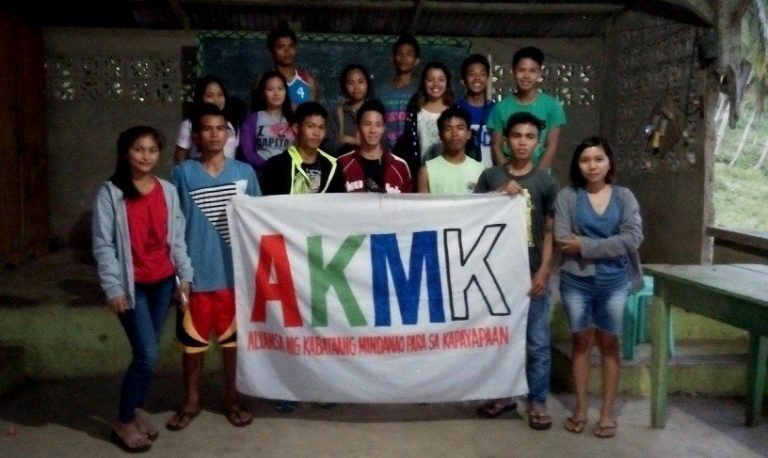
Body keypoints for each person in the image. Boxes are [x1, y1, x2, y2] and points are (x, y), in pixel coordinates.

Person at [92, 126, 193, 453]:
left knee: (146, 354)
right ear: (126, 152)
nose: (146, 156)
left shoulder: (167, 190)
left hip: (162, 281)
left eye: (152, 150)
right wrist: (113, 288)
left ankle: (134, 410)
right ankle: (123, 419)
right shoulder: (110, 193)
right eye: (139, 149)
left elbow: (176, 238)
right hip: (131, 286)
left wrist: (184, 277)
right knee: (147, 355)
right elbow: (104, 246)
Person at [166, 104, 260, 431]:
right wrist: (181, 275)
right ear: (196, 136)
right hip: (195, 277)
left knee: (233, 346)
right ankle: (191, 400)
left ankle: (232, 398)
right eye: (207, 129)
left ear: (229, 135)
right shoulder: (182, 174)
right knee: (193, 347)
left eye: (221, 128)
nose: (215, 135)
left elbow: (259, 224)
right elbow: (174, 227)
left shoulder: (245, 173)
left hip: (235, 278)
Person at [474, 112, 559, 431]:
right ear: (506, 141)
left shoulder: (546, 182)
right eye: (517, 136)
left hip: (532, 273)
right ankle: (502, 395)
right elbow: (473, 218)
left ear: (538, 143)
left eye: (530, 137)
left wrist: (544, 272)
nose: (523, 142)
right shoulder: (490, 177)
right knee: (498, 339)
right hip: (497, 275)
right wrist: (497, 195)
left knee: (536, 342)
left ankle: (537, 400)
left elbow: (550, 232)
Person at [555, 136, 643, 439]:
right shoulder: (568, 196)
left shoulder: (624, 197)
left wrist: (585, 245)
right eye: (585, 160)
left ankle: (606, 413)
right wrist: (607, 244)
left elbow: (632, 239)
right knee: (581, 342)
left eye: (598, 159)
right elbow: (563, 239)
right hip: (575, 280)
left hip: (615, 280)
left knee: (609, 343)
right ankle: (580, 409)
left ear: (609, 163)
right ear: (577, 165)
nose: (592, 166)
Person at [487, 46, 566, 170]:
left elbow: (551, 146)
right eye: (521, 70)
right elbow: (496, 147)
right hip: (508, 178)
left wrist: (536, 177)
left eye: (532, 71)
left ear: (539, 73)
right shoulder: (500, 108)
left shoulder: (552, 106)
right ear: (513, 71)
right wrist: (507, 175)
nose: (526, 75)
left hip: (540, 175)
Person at [261, 101, 346, 195]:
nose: (317, 133)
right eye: (310, 126)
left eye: (321, 127)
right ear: (296, 128)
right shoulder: (276, 166)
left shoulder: (333, 165)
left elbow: (338, 201)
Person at [338, 99, 412, 193]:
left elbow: (408, 201)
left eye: (378, 125)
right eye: (367, 124)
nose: (373, 130)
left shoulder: (400, 166)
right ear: (358, 127)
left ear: (384, 127)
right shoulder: (342, 164)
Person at [396, 61, 455, 179]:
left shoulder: (454, 112)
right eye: (430, 79)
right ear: (423, 82)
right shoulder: (415, 112)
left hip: (449, 175)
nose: (436, 84)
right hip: (420, 175)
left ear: (447, 82)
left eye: (441, 79)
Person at [417, 106, 484, 194]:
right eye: (448, 129)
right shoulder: (426, 172)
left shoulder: (480, 171)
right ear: (440, 135)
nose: (454, 134)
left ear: (469, 133)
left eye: (460, 128)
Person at [238, 70, 294, 172]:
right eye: (270, 89)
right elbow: (247, 152)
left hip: (290, 172)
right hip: (261, 173)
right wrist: (267, 166)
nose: (276, 93)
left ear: (286, 92)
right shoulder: (252, 120)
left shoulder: (294, 119)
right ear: (263, 93)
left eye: (280, 88)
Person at [174, 75, 240, 163]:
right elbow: (180, 158)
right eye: (210, 96)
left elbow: (233, 156)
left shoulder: (232, 124)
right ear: (200, 97)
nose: (216, 100)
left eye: (220, 95)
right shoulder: (189, 124)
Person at [380, 34, 421, 149]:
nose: (404, 58)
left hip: (413, 151)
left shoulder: (422, 89)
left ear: (416, 61)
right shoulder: (380, 90)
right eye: (400, 54)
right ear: (392, 59)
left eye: (409, 54)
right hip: (385, 152)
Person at [456, 54, 495, 168]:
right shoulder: (455, 110)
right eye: (472, 74)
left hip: (491, 174)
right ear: (463, 80)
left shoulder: (496, 110)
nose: (477, 78)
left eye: (482, 74)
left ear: (487, 79)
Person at [325, 64, 373, 156]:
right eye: (351, 83)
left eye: (360, 82)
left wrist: (350, 140)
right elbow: (327, 147)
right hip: (342, 163)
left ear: (367, 83)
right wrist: (343, 143)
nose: (356, 87)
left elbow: (383, 145)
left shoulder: (375, 112)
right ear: (344, 86)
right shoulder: (336, 114)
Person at [266, 25, 319, 106]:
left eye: (291, 46)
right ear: (272, 51)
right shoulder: (264, 81)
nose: (287, 51)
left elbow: (313, 112)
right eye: (281, 47)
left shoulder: (308, 81)